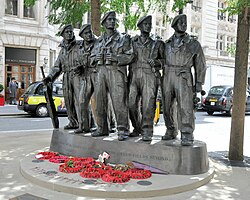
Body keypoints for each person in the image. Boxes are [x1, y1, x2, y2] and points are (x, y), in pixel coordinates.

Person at [161, 14, 206, 146]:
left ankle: (187, 133)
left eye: (185, 22)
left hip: (184, 75)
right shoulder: (166, 44)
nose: (184, 24)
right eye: (180, 22)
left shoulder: (193, 44)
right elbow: (161, 59)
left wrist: (198, 83)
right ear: (174, 25)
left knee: (185, 106)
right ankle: (171, 129)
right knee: (167, 105)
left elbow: (201, 64)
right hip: (168, 75)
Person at [91, 11, 134, 141]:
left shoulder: (123, 38)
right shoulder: (98, 41)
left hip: (116, 72)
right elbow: (91, 57)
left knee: (119, 101)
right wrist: (95, 58)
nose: (112, 21)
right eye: (109, 19)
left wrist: (115, 57)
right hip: (100, 72)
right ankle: (102, 128)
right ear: (104, 23)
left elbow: (130, 56)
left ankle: (123, 129)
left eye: (114, 19)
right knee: (100, 101)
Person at [128, 15, 164, 141]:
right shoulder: (132, 42)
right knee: (131, 103)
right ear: (139, 26)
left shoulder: (157, 43)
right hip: (134, 74)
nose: (148, 26)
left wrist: (158, 63)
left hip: (149, 75)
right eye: (145, 24)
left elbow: (166, 61)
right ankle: (137, 127)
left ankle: (147, 130)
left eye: (149, 24)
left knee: (148, 104)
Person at [43, 24, 81, 130]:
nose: (69, 33)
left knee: (80, 100)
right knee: (68, 100)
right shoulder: (62, 50)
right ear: (63, 35)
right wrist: (50, 77)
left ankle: (85, 123)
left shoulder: (79, 45)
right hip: (67, 76)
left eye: (71, 31)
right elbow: (57, 67)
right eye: (67, 32)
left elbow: (85, 59)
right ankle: (73, 122)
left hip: (78, 76)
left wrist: (82, 67)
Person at [74, 24, 97, 134]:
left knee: (100, 102)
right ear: (82, 35)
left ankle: (106, 126)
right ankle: (84, 126)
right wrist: (79, 68)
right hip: (86, 76)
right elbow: (80, 62)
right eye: (86, 33)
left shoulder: (99, 43)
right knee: (82, 101)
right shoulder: (80, 47)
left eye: (90, 32)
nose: (89, 34)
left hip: (98, 75)